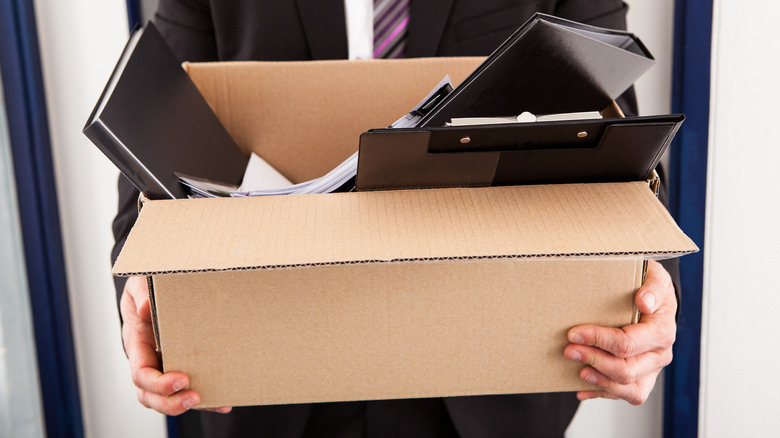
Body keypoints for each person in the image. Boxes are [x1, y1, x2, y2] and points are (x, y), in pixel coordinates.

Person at [113, 1, 680, 436]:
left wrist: (648, 283)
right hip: (270, 364)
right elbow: (156, 119)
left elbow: (613, 130)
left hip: (493, 368)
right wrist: (142, 288)